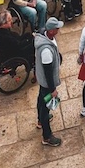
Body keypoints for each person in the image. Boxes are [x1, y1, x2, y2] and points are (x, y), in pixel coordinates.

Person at [35, 16, 64, 147]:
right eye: (57, 28)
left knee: (41, 100)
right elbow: (48, 73)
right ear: (51, 31)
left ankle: (40, 121)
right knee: (45, 109)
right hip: (47, 83)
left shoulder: (45, 35)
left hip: (42, 81)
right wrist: (52, 90)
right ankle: (47, 136)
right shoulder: (46, 51)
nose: (58, 30)